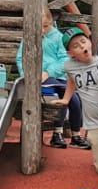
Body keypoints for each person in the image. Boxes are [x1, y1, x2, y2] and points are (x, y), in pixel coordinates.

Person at [60, 30, 98, 175]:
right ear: (71, 53)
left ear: (90, 42)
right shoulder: (69, 66)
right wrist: (66, 99)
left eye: (83, 42)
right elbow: (71, 80)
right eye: (76, 46)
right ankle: (96, 144)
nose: (82, 46)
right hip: (96, 123)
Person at [18, 10, 73, 148]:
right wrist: (26, 75)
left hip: (55, 76)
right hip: (34, 78)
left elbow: (64, 59)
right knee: (36, 95)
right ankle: (37, 134)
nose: (42, 30)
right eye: (39, 27)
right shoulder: (28, 37)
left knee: (67, 97)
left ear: (51, 23)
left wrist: (49, 72)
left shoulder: (58, 37)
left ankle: (59, 132)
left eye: (46, 26)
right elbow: (20, 58)